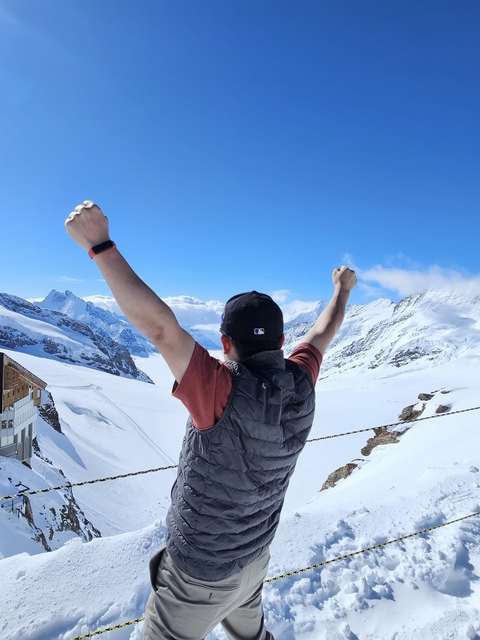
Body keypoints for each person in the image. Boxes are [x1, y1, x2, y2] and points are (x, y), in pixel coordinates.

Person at [65, 200, 357, 640]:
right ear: (282, 341)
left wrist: (100, 245)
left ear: (223, 342)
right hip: (254, 560)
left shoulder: (220, 391)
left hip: (198, 577)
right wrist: (342, 291)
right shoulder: (301, 381)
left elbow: (162, 329)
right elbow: (323, 332)